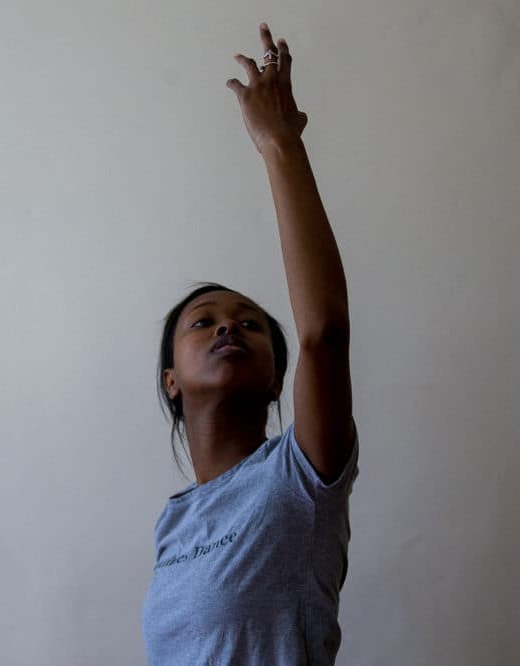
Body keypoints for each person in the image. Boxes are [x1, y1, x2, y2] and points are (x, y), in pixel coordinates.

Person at [141, 22, 359, 665]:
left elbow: (325, 333)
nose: (228, 326)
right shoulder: (173, 523)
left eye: (250, 323)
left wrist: (279, 144)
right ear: (170, 380)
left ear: (275, 381)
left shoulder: (300, 475)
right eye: (202, 322)